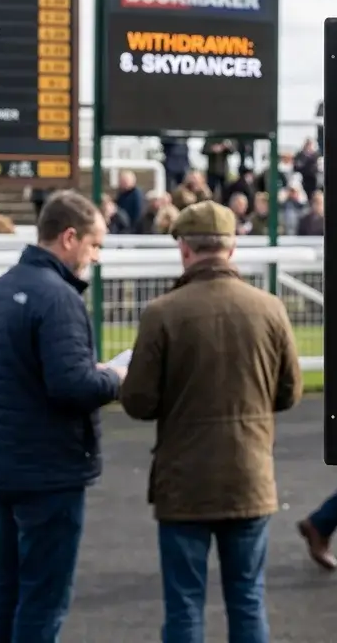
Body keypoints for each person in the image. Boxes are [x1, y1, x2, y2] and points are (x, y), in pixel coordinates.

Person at [119, 201, 303, 642]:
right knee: (247, 598)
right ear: (232, 246)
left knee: (184, 605)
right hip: (249, 475)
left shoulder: (163, 312)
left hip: (184, 481)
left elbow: (139, 402)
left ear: (185, 249)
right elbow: (289, 393)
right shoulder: (270, 308)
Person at [0, 191, 124, 642]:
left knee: (9, 586)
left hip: (5, 461)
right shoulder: (59, 299)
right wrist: (116, 375)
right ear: (69, 237)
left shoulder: (0, 288)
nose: (95, 257)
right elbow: (72, 387)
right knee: (43, 596)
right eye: (94, 245)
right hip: (49, 469)